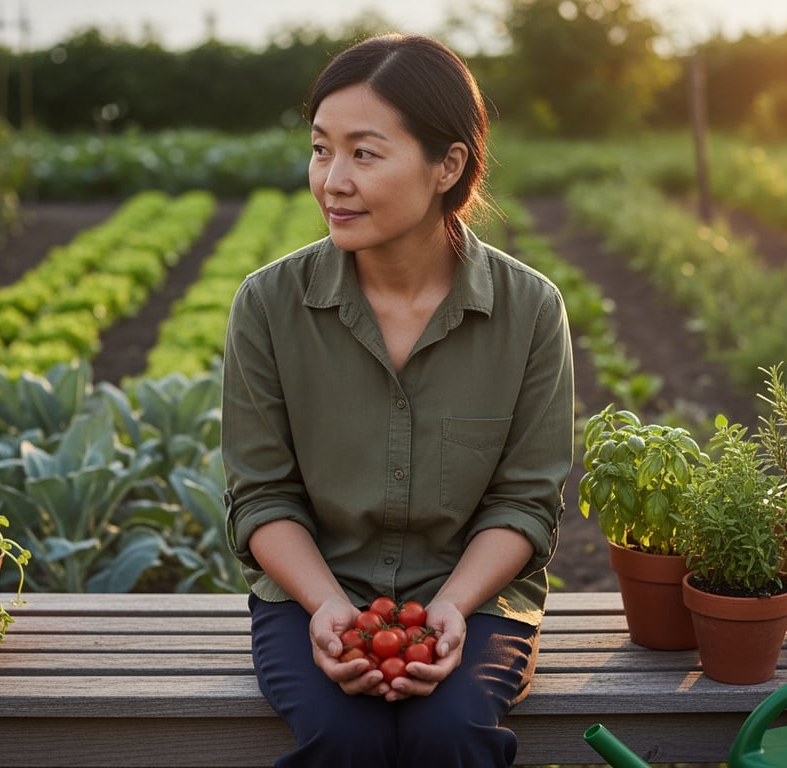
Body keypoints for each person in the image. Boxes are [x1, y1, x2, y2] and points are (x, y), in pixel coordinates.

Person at [221, 32, 574, 767]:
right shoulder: (268, 305)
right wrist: (326, 607)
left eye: (364, 153)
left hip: (474, 602)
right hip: (310, 596)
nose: (331, 180)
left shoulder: (529, 310)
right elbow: (261, 497)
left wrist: (451, 605)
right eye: (322, 149)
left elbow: (524, 502)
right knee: (343, 736)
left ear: (447, 166)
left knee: (449, 734)